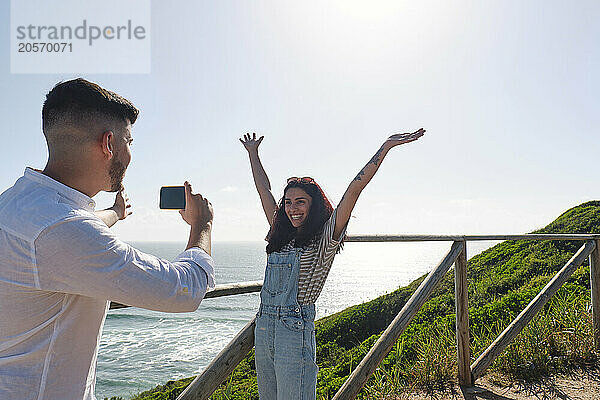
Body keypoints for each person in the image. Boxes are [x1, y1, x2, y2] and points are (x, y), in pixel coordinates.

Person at [0, 78, 216, 400]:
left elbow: (60, 237)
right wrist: (202, 225)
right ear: (108, 144)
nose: (130, 154)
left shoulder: (17, 204)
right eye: (129, 141)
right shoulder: (64, 230)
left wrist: (114, 214)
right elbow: (184, 290)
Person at [239, 129, 425, 400]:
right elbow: (264, 191)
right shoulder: (281, 232)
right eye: (288, 203)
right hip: (264, 326)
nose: (293, 208)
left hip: (294, 328)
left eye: (300, 202)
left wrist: (385, 148)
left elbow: (354, 189)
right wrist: (253, 154)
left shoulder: (325, 238)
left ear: (314, 205)